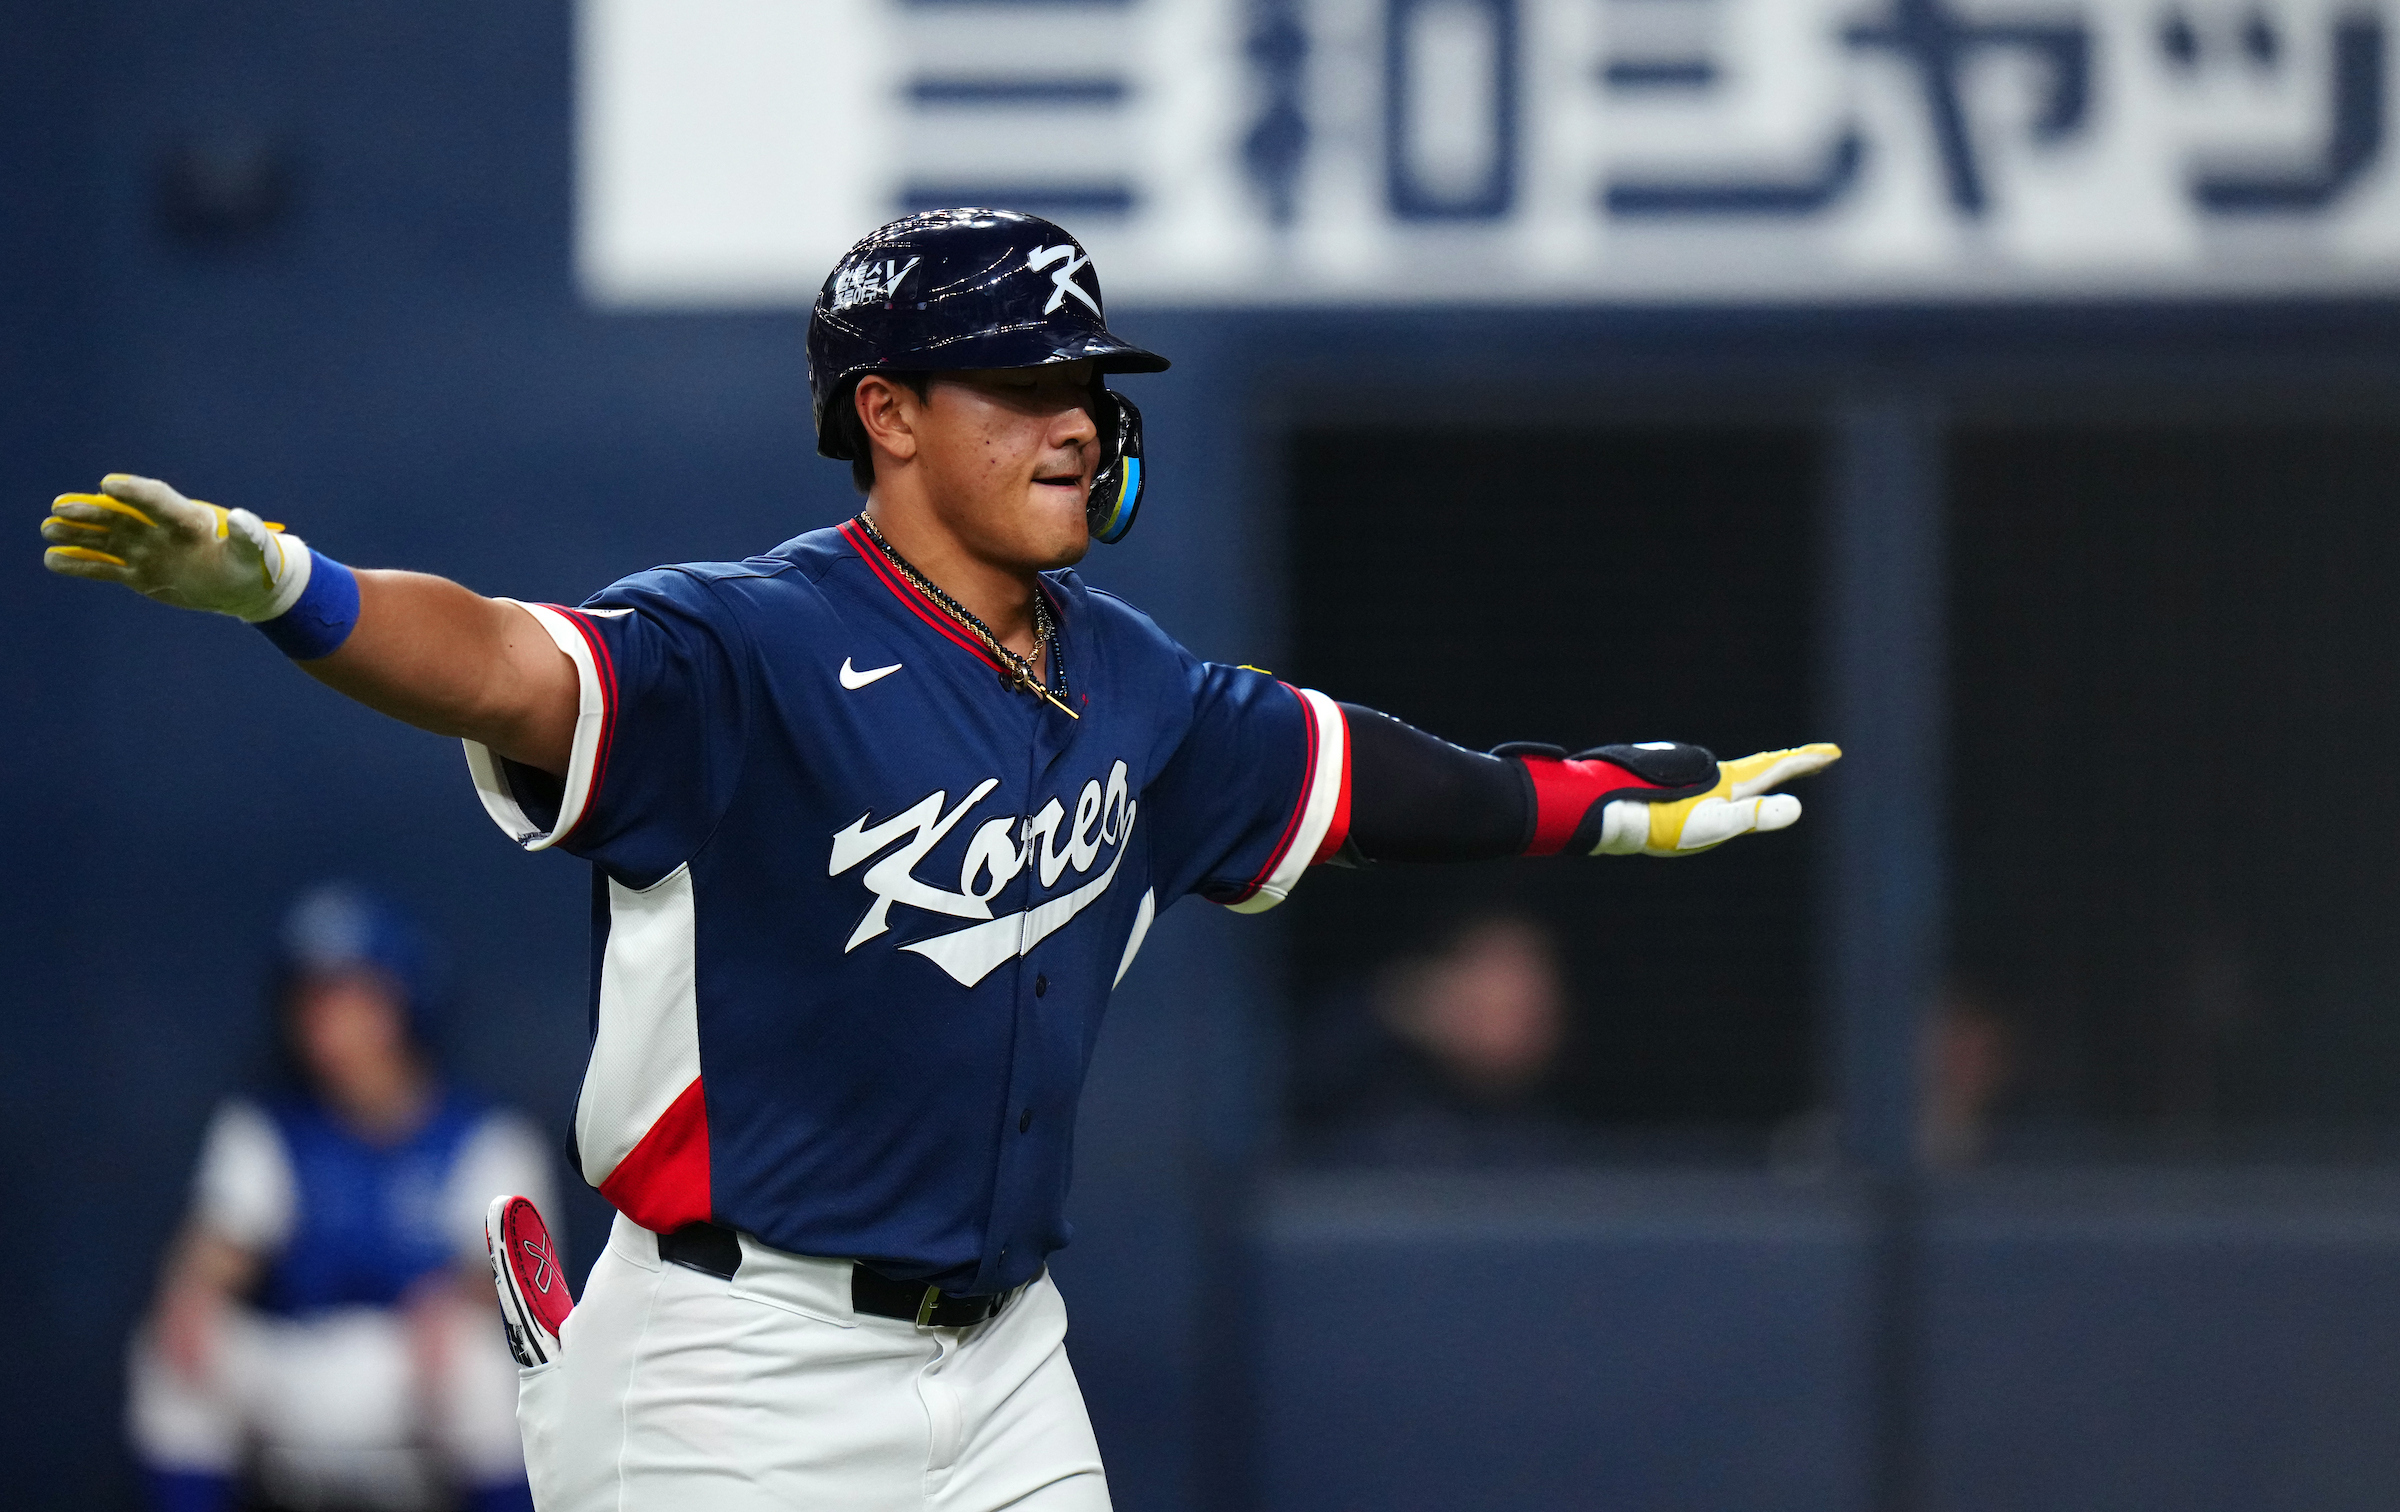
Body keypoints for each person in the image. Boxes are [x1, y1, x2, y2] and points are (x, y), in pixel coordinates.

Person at [45, 208, 1838, 1512]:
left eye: (1089, 380)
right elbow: (505, 659)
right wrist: (293, 592)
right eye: (1022, 380)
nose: (1077, 416)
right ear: (888, 413)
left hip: (999, 1369)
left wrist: (1598, 795)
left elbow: (1359, 774)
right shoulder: (739, 647)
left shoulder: (1136, 678)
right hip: (734, 1372)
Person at [126, 883, 553, 1512]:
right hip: (299, 1361)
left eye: (350, 998)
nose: (326, 1022)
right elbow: (221, 1246)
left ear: (401, 1002)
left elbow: (507, 1282)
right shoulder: (268, 1128)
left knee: (484, 1368)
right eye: (311, 1000)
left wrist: (452, 1300)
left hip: (409, 1373)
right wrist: (192, 1290)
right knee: (174, 1352)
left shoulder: (484, 1137)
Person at [1291, 911, 1583, 1165]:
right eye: (1484, 1003)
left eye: (1525, 1005)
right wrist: (1391, 1003)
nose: (1504, 1014)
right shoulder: (1373, 1116)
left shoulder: (1572, 1154)